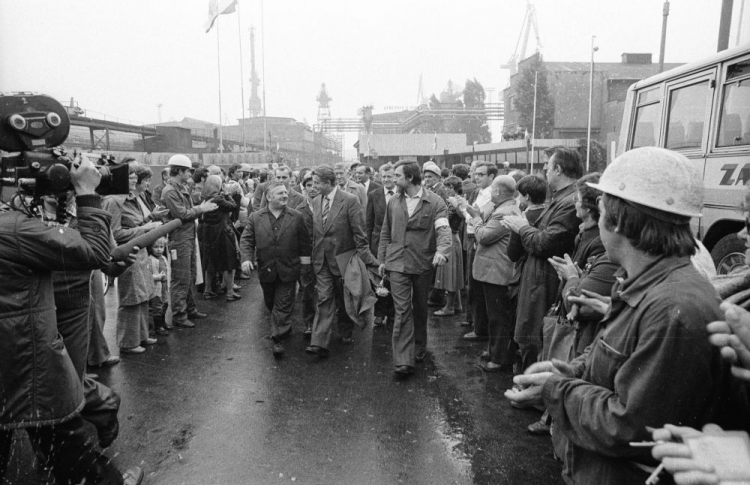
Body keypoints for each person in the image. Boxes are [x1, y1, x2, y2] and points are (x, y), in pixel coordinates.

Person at [505, 147, 735, 485]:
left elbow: (628, 425)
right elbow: (614, 360)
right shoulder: (647, 286)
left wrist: (556, 389)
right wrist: (567, 371)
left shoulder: (673, 307)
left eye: (599, 212)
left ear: (619, 222)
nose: (596, 222)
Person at [0, 155, 143, 485]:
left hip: (71, 298)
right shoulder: (20, 214)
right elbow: (88, 249)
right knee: (55, 392)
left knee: (67, 379)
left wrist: (114, 264)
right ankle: (100, 413)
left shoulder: (76, 208)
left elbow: (100, 254)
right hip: (34, 310)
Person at [502, 147, 582, 371]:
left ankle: (535, 392)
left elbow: (545, 243)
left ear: (558, 169)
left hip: (543, 283)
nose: (545, 170)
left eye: (548, 165)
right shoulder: (561, 199)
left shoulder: (567, 202)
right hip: (539, 280)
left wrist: (522, 227)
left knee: (536, 336)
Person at [378, 160, 452, 376]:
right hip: (397, 262)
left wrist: (442, 251)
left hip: (422, 263)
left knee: (420, 306)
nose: (393, 180)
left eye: (398, 176)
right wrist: (382, 259)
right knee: (402, 309)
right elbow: (385, 232)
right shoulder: (394, 201)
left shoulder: (436, 202)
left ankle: (419, 346)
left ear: (410, 178)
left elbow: (443, 230)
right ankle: (403, 359)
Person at [306, 165, 377, 357]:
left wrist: (367, 260)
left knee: (345, 298)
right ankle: (319, 342)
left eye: (317, 183)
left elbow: (359, 233)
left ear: (329, 183)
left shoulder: (350, 201)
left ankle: (345, 331)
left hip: (344, 260)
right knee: (324, 298)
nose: (314, 187)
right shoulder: (316, 200)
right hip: (322, 261)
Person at [241, 182, 311, 357]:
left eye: (286, 193)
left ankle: (278, 338)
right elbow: (247, 240)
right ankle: (282, 326)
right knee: (271, 302)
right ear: (269, 197)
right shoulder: (256, 217)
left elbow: (304, 243)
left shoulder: (296, 216)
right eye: (280, 193)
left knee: (283, 303)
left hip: (289, 269)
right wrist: (246, 260)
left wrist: (305, 268)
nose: (285, 196)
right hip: (267, 270)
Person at [461, 176, 520, 371]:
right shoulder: (504, 208)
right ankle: (495, 350)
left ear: (497, 192)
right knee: (494, 314)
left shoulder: (504, 212)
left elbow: (484, 236)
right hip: (493, 271)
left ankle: (501, 358)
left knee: (499, 317)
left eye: (492, 190)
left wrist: (476, 219)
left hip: (497, 272)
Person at [103, 162, 161, 353]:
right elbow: (115, 234)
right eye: (130, 176)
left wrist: (149, 219)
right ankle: (128, 342)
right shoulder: (113, 201)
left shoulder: (130, 198)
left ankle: (141, 336)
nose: (135, 179)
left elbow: (133, 224)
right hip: (128, 253)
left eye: (135, 176)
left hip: (139, 251)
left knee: (142, 294)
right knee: (131, 297)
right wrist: (145, 228)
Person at [162, 154, 218, 328]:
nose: (190, 174)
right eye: (188, 171)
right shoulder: (171, 191)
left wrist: (198, 208)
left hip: (187, 236)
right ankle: (179, 314)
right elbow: (182, 214)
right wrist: (201, 208)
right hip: (179, 238)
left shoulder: (180, 188)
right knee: (181, 277)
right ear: (179, 171)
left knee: (190, 274)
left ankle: (189, 308)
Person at [459, 162, 497, 339]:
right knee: (472, 284)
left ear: (491, 177)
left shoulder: (490, 195)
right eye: (476, 174)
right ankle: (478, 325)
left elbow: (477, 218)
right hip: (473, 237)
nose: (477, 177)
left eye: (481, 174)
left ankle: (480, 328)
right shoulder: (480, 193)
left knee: (476, 284)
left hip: (478, 238)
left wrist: (464, 209)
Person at [200, 175, 241, 302]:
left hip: (209, 234)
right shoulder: (218, 199)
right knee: (229, 263)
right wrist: (228, 194)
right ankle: (230, 292)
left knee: (210, 263)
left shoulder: (205, 198)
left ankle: (207, 291)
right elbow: (233, 206)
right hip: (223, 234)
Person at [366, 163, 396, 327]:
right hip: (377, 243)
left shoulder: (401, 194)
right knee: (377, 278)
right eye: (383, 176)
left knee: (393, 278)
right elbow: (368, 223)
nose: (386, 180)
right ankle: (379, 312)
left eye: (389, 176)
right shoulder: (374, 194)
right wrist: (369, 246)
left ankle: (392, 313)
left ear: (395, 177)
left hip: (396, 243)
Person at [433, 176, 466, 316]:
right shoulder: (452, 200)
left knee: (451, 274)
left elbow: (457, 216)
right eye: (446, 187)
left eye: (450, 187)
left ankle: (449, 307)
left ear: (456, 188)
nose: (447, 189)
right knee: (453, 273)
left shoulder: (456, 201)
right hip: (453, 237)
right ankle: (457, 304)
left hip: (451, 237)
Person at [295, 171, 318, 337]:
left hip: (327, 255)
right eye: (308, 185)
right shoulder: (299, 210)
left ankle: (325, 322)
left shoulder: (329, 206)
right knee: (308, 290)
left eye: (315, 185)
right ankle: (309, 322)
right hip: (307, 256)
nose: (312, 188)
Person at [148, 237, 170, 335]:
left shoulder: (163, 258)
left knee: (165, 303)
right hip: (156, 287)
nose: (159, 249)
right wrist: (158, 277)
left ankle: (163, 322)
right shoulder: (150, 260)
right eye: (156, 247)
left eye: (161, 247)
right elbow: (148, 275)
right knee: (157, 306)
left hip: (164, 287)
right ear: (150, 248)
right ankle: (158, 326)